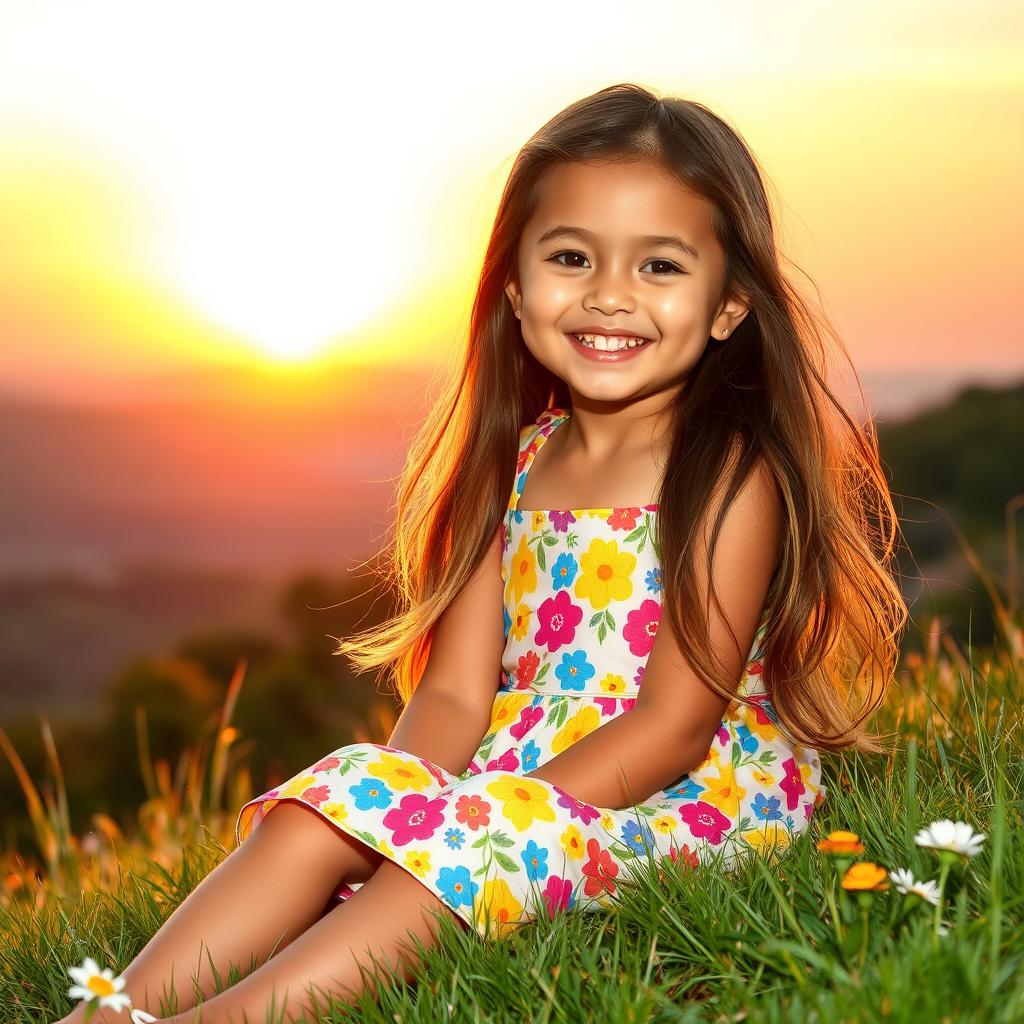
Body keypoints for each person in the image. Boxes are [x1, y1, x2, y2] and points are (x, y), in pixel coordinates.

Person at [56, 83, 907, 1023]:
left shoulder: (728, 475)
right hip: (515, 773)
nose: (609, 294)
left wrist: (474, 820)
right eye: (572, 256)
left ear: (729, 305)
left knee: (458, 855)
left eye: (660, 264)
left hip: (682, 794)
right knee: (328, 801)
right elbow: (458, 694)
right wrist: (400, 808)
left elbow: (673, 725)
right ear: (514, 284)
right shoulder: (513, 464)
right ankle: (106, 1013)